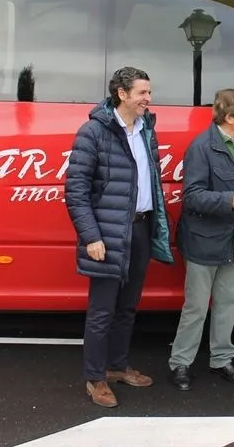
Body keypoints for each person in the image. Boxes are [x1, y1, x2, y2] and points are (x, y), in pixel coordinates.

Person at [64, 66, 174, 408]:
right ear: (121, 94)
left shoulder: (146, 130)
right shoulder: (93, 132)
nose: (148, 99)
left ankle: (116, 366)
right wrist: (91, 236)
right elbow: (76, 191)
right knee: (102, 311)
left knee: (128, 307)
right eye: (142, 93)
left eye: (149, 92)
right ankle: (95, 379)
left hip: (140, 229)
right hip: (108, 234)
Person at [168, 88, 234, 391]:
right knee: (196, 306)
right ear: (231, 117)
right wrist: (229, 200)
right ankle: (180, 363)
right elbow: (192, 197)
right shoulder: (201, 148)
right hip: (203, 241)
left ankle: (221, 359)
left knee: (228, 304)